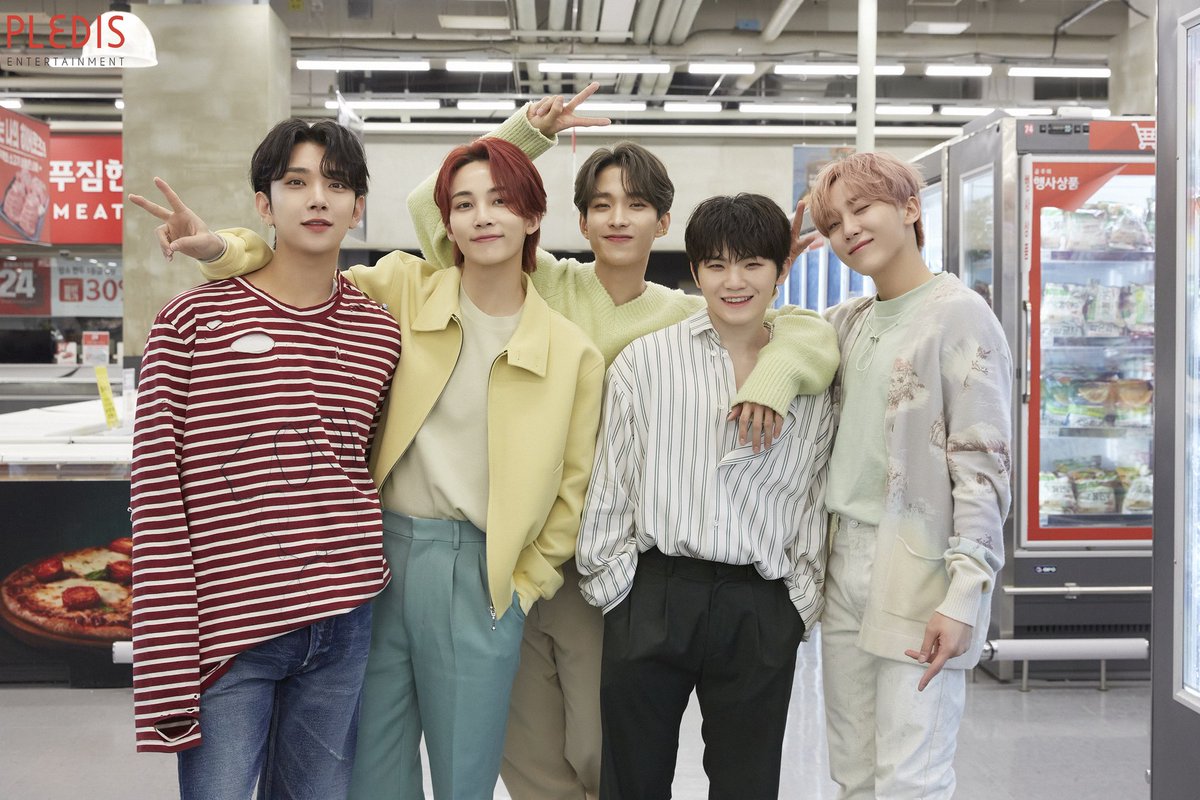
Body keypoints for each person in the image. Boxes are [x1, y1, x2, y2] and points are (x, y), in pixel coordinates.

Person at [134, 136, 604, 799]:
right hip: (373, 564)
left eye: (502, 201)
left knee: (464, 778)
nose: (483, 217)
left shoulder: (571, 353)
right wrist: (219, 248)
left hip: (473, 573)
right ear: (445, 223)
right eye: (464, 204)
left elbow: (572, 493)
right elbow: (295, 268)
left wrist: (522, 585)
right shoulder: (402, 293)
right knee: (371, 781)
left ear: (533, 216)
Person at [405, 89, 840, 800]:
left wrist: (777, 371)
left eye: (636, 205)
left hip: (608, 564)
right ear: (577, 220)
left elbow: (800, 332)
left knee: (604, 747)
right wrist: (523, 135)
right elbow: (431, 215)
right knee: (524, 740)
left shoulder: (686, 313)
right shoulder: (539, 283)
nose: (617, 218)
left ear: (663, 222)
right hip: (513, 537)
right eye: (601, 204)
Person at [128, 119, 402, 800]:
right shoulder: (191, 322)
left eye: (336, 185)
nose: (318, 199)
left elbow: (358, 466)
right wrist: (167, 651)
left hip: (344, 612)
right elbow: (155, 494)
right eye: (296, 182)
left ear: (358, 208)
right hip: (229, 628)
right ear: (263, 203)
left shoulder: (379, 332)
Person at [574, 193, 834, 800]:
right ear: (695, 272)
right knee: (631, 784)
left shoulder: (811, 375)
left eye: (752, 264)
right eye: (716, 265)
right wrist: (616, 592)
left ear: (780, 269)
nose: (733, 282)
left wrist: (796, 603)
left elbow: (814, 495)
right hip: (654, 592)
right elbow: (613, 480)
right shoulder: (647, 361)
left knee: (747, 787)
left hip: (760, 604)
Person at [807, 151, 1012, 799]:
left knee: (910, 777)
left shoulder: (959, 314)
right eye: (832, 223)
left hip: (920, 569)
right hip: (842, 565)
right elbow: (759, 328)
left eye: (862, 208)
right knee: (854, 772)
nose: (848, 230)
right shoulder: (847, 323)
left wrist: (965, 593)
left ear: (910, 208)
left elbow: (983, 467)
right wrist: (774, 258)